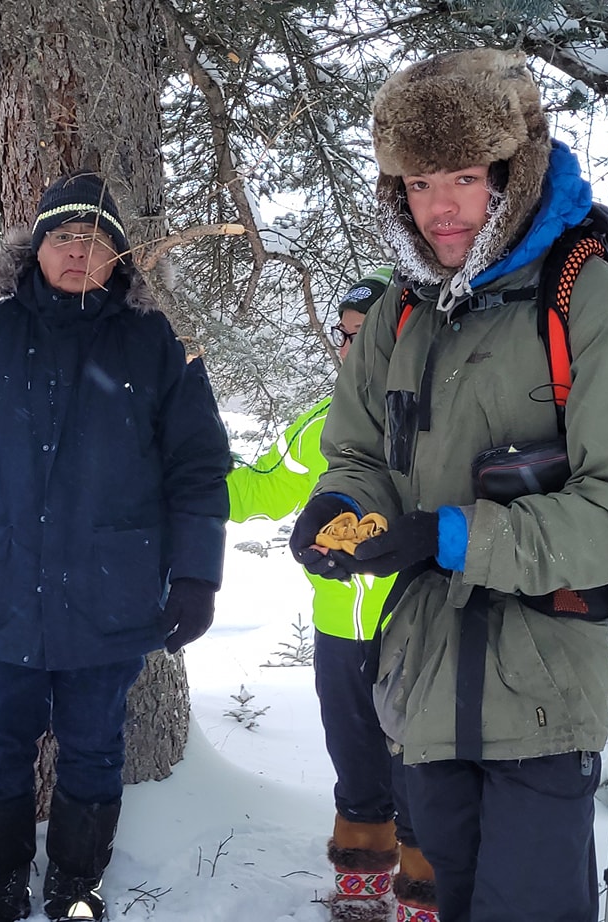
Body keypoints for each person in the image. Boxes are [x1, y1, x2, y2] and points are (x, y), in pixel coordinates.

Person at [291, 50, 608, 922]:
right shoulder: (398, 313)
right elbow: (358, 454)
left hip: (542, 694)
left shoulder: (594, 304)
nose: (441, 207)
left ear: (512, 173)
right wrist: (341, 507)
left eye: (465, 177)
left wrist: (452, 535)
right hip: (421, 690)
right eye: (420, 182)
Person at [0, 171, 231, 922]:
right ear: (32, 250)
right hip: (5, 585)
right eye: (64, 236)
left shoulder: (154, 343)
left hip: (112, 591)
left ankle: (76, 885)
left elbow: (198, 470)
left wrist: (198, 575)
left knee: (95, 743)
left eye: (98, 240)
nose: (80, 251)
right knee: (0, 741)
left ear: (122, 260)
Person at [227, 268, 437, 922]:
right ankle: (364, 875)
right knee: (357, 763)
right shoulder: (323, 423)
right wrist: (182, 472)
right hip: (340, 630)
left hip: (423, 631)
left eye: (363, 335)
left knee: (421, 770)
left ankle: (425, 892)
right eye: (343, 337)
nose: (350, 351)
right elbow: (258, 490)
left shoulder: (441, 418)